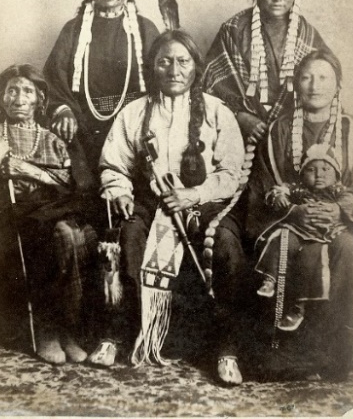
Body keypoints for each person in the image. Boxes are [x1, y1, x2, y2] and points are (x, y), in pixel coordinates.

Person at [99, 29, 248, 385]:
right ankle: (118, 336)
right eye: (164, 61)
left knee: (225, 245)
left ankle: (226, 349)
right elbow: (113, 165)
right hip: (151, 201)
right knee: (130, 233)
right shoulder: (134, 113)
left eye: (183, 61)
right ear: (153, 66)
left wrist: (193, 195)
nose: (174, 69)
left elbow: (231, 172)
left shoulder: (216, 111)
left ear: (196, 66)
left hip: (206, 202)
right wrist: (119, 190)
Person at [246, 50, 353, 379]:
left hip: (338, 223)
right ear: (296, 83)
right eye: (307, 77)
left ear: (338, 84)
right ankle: (284, 353)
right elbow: (265, 187)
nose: (315, 85)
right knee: (290, 248)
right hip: (290, 223)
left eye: (324, 77)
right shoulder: (279, 131)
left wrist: (339, 208)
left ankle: (336, 353)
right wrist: (295, 212)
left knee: (348, 248)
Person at [0, 64, 99, 365]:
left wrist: (29, 171)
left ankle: (67, 328)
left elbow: (69, 185)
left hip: (49, 212)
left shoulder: (53, 140)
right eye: (11, 91)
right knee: (54, 233)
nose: (19, 99)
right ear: (2, 98)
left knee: (74, 234)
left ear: (39, 100)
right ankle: (47, 328)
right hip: (8, 220)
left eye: (27, 91)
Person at [44, 0, 159, 186]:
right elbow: (54, 77)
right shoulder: (74, 30)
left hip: (135, 126)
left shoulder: (146, 29)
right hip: (84, 127)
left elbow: (163, 79)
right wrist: (63, 111)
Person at [203, 0, 331, 142]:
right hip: (240, 130)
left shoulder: (308, 36)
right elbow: (210, 85)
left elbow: (328, 86)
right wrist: (240, 116)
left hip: (293, 131)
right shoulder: (234, 30)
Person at [255, 143, 353, 331]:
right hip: (299, 230)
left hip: (327, 233)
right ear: (303, 174)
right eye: (311, 170)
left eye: (325, 169)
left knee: (311, 259)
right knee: (282, 237)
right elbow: (280, 190)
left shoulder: (338, 191)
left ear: (336, 174)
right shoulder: (299, 190)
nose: (319, 174)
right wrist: (279, 196)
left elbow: (351, 202)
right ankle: (269, 279)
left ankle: (299, 308)